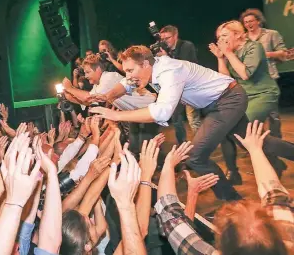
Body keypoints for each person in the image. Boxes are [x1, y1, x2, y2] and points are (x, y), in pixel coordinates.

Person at [89, 45, 294, 201]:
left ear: (145, 64)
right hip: (221, 101)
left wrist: (116, 116)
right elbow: (125, 85)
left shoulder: (169, 71)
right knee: (254, 142)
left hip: (227, 99)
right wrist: (107, 96)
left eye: (131, 70)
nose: (128, 75)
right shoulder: (147, 69)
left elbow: (162, 111)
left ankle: (234, 203)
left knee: (196, 157)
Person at [155, 120, 293, 255]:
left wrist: (168, 165)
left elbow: (171, 219)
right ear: (276, 233)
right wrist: (256, 150)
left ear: (219, 241)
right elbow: (274, 191)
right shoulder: (288, 232)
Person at [209, 20, 285, 183]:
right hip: (244, 96)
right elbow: (226, 79)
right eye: (218, 37)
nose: (220, 40)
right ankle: (233, 172)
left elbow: (245, 74)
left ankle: (280, 158)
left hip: (263, 94)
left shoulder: (253, 47)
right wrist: (220, 58)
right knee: (226, 128)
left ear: (237, 34)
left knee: (245, 130)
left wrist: (228, 53)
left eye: (224, 36)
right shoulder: (230, 51)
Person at [61, 53, 157, 155]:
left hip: (149, 109)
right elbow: (88, 101)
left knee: (149, 150)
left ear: (98, 69)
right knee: (135, 151)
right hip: (135, 114)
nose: (86, 76)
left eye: (88, 72)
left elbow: (87, 98)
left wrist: (69, 88)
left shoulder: (109, 78)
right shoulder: (98, 85)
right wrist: (70, 97)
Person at [240, 8, 288, 139]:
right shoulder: (243, 38)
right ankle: (258, 141)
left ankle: (276, 141)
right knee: (254, 114)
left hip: (268, 78)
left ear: (259, 21)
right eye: (245, 22)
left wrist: (262, 54)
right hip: (249, 80)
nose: (248, 24)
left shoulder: (271, 34)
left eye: (251, 21)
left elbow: (283, 54)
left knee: (272, 115)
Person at [159, 25, 202, 144]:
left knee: (193, 118)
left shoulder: (186, 46)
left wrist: (166, 57)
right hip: (175, 88)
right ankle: (182, 144)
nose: (164, 41)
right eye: (162, 39)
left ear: (175, 36)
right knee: (176, 118)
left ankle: (201, 144)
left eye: (167, 38)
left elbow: (184, 66)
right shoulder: (164, 50)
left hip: (190, 87)